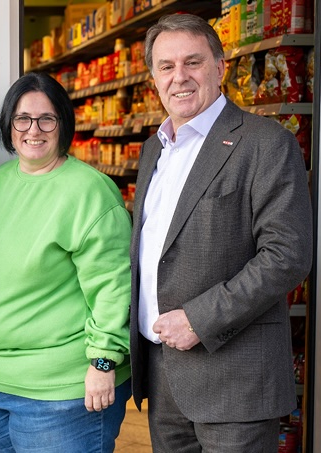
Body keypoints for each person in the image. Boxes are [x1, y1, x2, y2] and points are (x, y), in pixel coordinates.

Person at [130, 13, 313, 452]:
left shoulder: (265, 142)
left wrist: (199, 318)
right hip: (162, 373)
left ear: (220, 67)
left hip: (235, 382)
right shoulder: (155, 147)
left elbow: (287, 255)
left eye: (193, 62)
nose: (180, 78)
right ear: (153, 76)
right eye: (166, 66)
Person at [0, 72, 133, 453]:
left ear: (63, 124)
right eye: (22, 119)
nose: (33, 130)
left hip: (61, 395)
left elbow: (114, 287)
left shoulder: (89, 191)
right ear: (9, 125)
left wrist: (104, 362)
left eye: (46, 119)